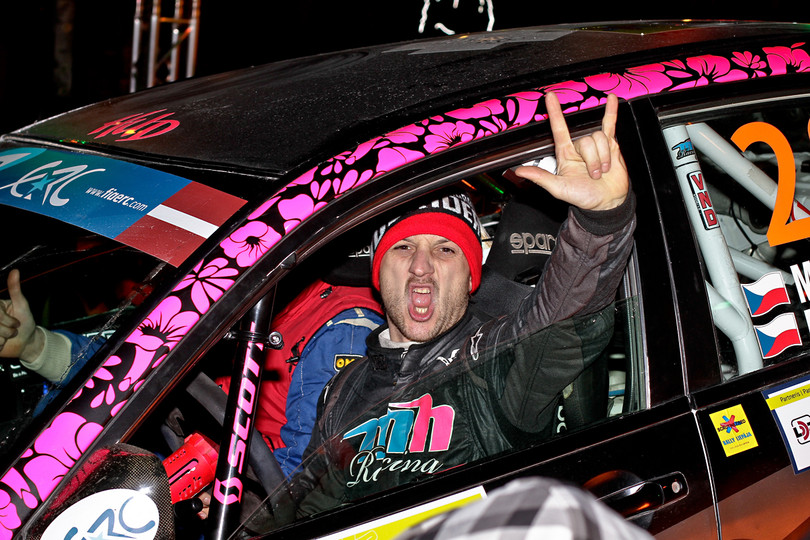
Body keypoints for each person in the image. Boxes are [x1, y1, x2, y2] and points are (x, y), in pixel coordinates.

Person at [284, 92, 635, 518]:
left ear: (472, 277)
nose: (421, 266)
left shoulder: (492, 361)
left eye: (445, 249)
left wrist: (600, 221)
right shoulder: (344, 389)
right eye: (403, 247)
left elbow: (561, 322)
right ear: (377, 273)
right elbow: (305, 506)